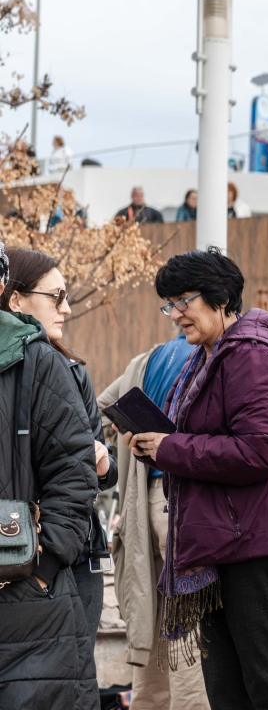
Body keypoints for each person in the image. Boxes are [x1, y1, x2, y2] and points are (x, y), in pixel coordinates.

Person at [122, 247, 268, 710]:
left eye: (182, 302)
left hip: (262, 543)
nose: (175, 315)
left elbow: (261, 450)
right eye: (168, 304)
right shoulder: (211, 355)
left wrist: (170, 448)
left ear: (218, 298)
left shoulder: (251, 357)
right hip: (230, 539)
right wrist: (158, 441)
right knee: (229, 689)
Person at [0, 248, 117, 651]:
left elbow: (87, 473)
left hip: (69, 552)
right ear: (15, 298)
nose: (65, 309)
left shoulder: (69, 369)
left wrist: (101, 463)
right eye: (56, 296)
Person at [99, 329, 208, 710]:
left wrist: (125, 438)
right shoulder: (207, 356)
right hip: (186, 505)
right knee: (190, 629)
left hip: (146, 501)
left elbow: (102, 405)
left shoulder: (149, 359)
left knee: (158, 622)